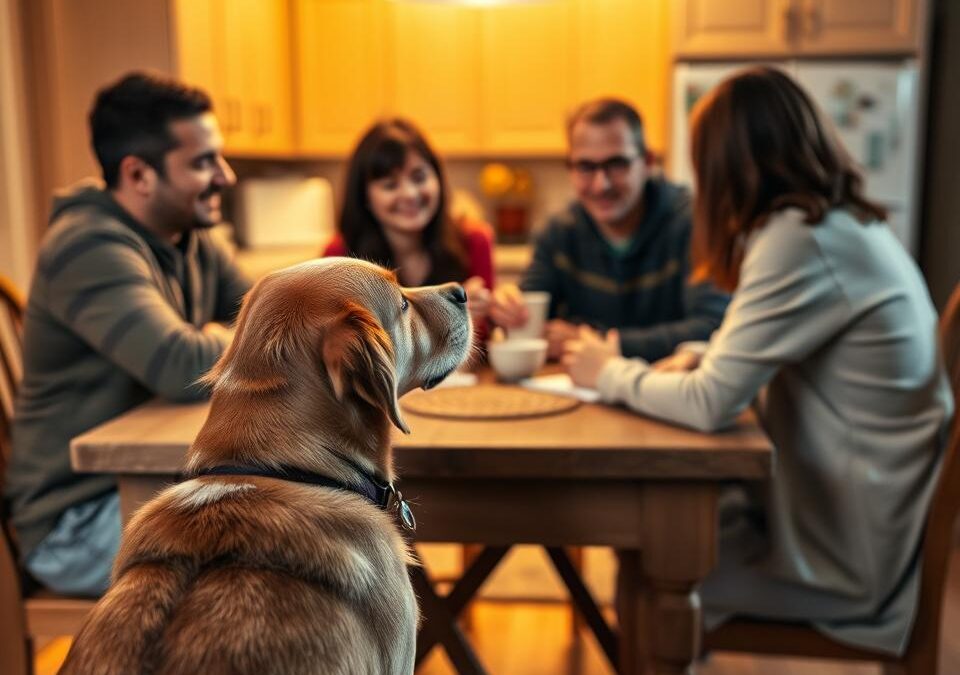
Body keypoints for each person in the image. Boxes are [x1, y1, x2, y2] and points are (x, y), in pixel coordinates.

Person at [565, 67, 954, 654]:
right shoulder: (835, 224)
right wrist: (696, 356)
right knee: (664, 541)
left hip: (851, 564)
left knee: (657, 569)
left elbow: (711, 404)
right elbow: (765, 349)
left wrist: (608, 372)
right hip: (858, 520)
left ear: (725, 165)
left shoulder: (802, 241)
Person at [5, 72, 251, 596]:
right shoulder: (87, 247)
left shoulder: (189, 238)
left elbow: (265, 317)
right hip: (76, 521)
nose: (225, 176)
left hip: (150, 487)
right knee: (278, 555)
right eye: (204, 161)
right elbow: (182, 366)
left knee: (305, 523)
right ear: (139, 174)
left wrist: (214, 334)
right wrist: (213, 336)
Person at [489, 98, 729, 361]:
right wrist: (509, 310)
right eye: (586, 167)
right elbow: (530, 320)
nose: (601, 184)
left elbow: (713, 327)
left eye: (616, 164)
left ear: (647, 162)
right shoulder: (558, 233)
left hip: (667, 391)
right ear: (570, 167)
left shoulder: (693, 223)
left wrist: (598, 343)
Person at [323, 118, 494, 333]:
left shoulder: (474, 241)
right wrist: (450, 321)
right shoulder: (339, 257)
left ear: (438, 178)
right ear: (364, 196)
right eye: (390, 185)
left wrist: (498, 313)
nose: (410, 194)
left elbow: (483, 349)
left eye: (419, 177)